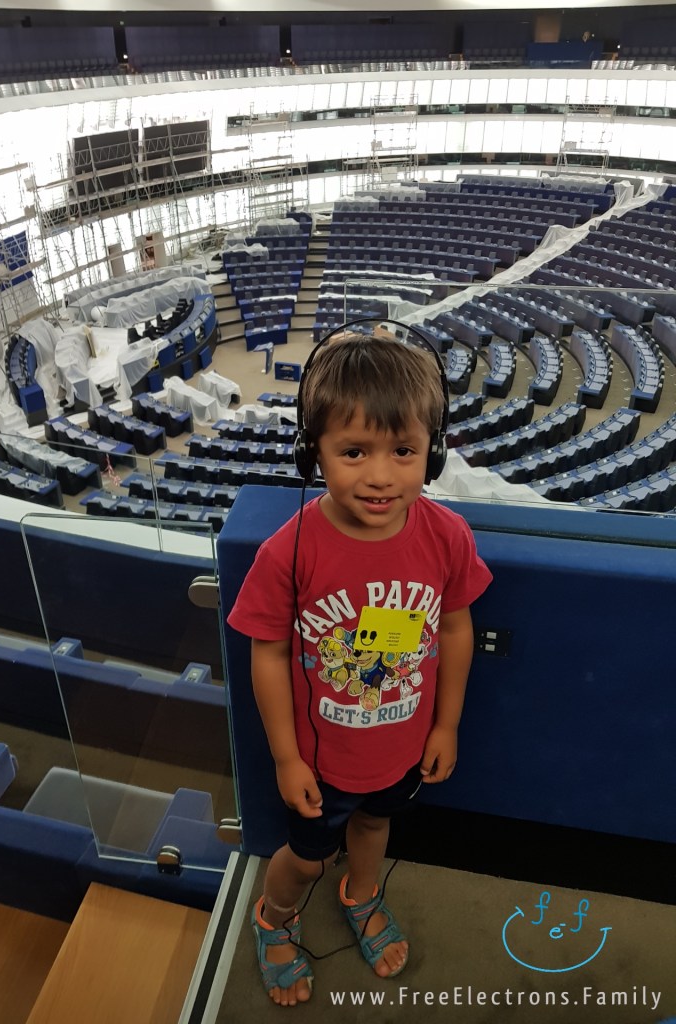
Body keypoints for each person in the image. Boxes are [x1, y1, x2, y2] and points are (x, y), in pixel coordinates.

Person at [227, 332, 492, 1007]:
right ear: (310, 449)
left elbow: (457, 626)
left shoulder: (447, 537)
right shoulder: (289, 551)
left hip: (401, 747)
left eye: (403, 451)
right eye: (354, 452)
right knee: (307, 858)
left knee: (376, 826)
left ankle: (363, 893)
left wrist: (447, 724)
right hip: (319, 759)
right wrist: (286, 759)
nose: (380, 475)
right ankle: (273, 919)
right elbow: (269, 652)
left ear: (431, 450)